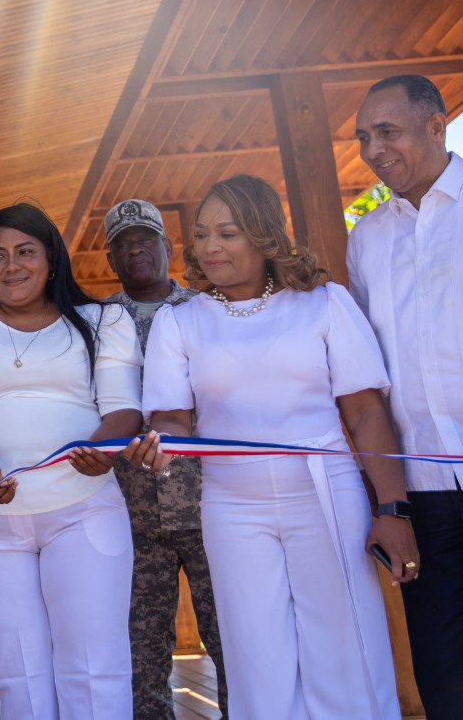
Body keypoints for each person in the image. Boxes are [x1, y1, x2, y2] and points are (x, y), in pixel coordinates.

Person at [142, 174, 417, 719]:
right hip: (231, 505)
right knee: (255, 654)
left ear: (265, 235)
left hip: (326, 493)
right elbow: (171, 418)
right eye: (202, 234)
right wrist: (162, 445)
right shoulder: (179, 322)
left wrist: (393, 508)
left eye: (228, 233)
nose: (211, 246)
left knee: (345, 645)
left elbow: (364, 413)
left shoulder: (324, 303)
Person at [0, 201, 142, 719]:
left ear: (51, 259)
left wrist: (102, 451)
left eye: (26, 252)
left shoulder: (101, 321)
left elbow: (123, 409)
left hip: (85, 510)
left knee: (95, 668)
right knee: (17, 675)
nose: (11, 265)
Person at [349, 74, 463, 717]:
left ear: (437, 126)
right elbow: (367, 381)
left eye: (387, 132)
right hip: (423, 495)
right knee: (445, 679)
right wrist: (391, 505)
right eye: (364, 137)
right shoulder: (366, 239)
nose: (373, 149)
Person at [101, 198, 226, 719]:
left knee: (231, 639)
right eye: (124, 244)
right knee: (140, 654)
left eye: (145, 240)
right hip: (131, 517)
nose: (136, 251)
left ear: (168, 247)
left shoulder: (207, 311)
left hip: (209, 507)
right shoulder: (97, 323)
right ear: (110, 258)